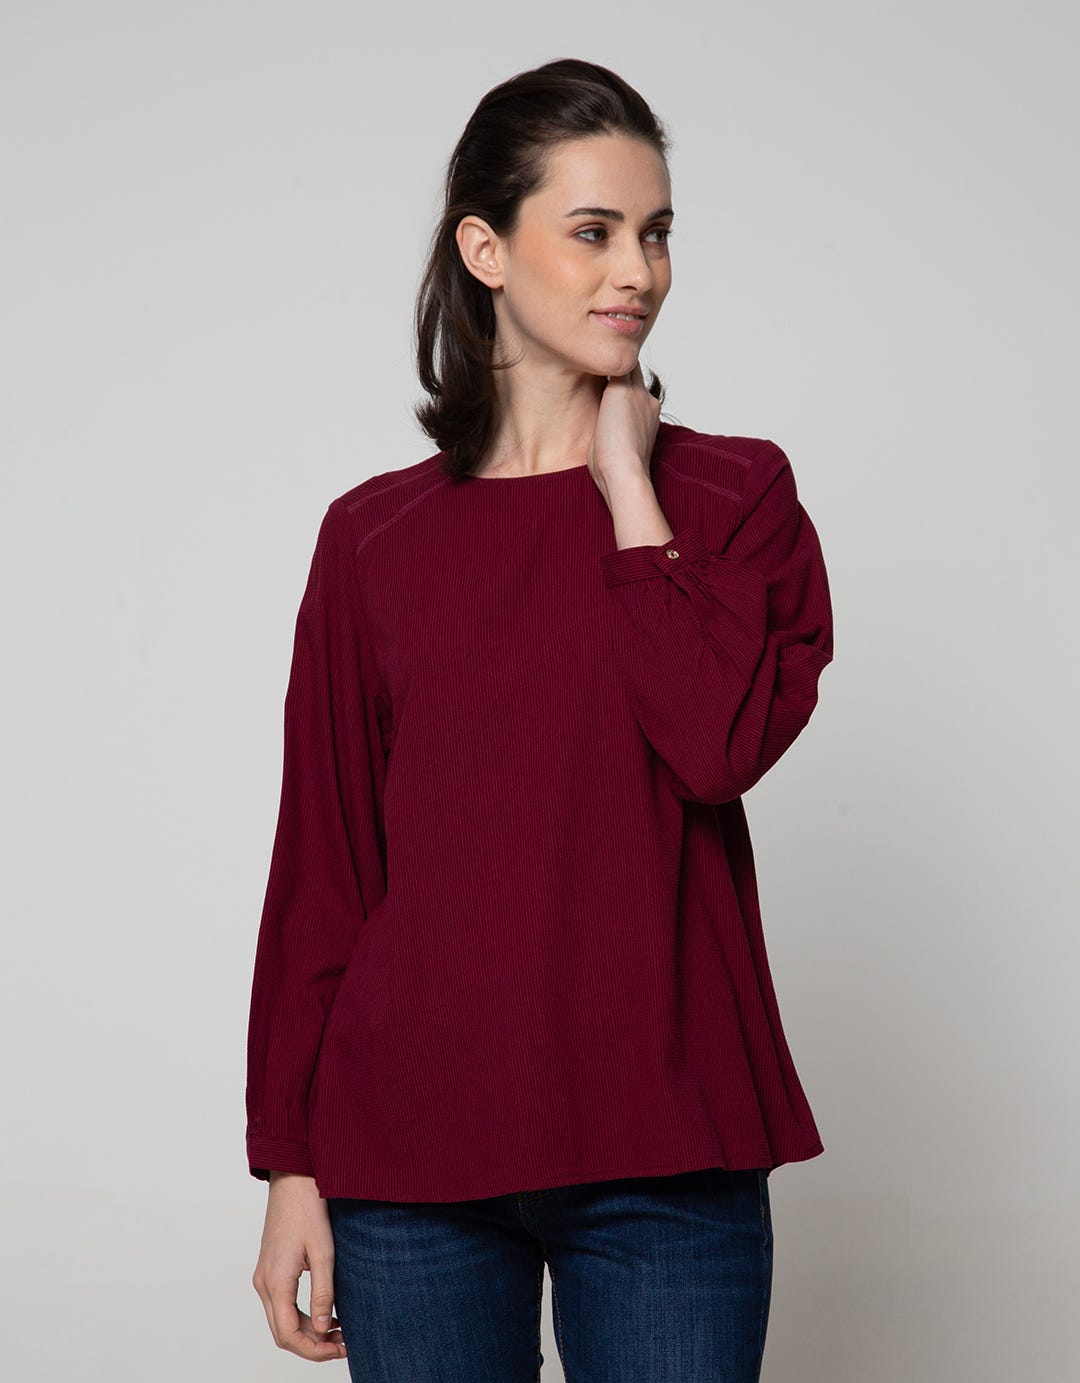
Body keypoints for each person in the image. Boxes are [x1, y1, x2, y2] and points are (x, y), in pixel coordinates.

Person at [246, 56, 834, 1383]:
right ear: (486, 250)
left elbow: (714, 744)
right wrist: (290, 1160)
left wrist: (630, 492)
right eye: (594, 231)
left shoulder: (732, 501)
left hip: (665, 1151)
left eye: (657, 233)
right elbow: (325, 865)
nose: (640, 272)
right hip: (408, 1162)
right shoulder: (373, 539)